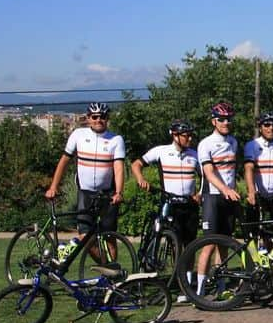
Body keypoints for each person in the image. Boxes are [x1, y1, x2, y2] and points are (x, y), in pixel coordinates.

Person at [45, 102, 126, 268]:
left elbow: (118, 167)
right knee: (84, 237)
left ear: (107, 119)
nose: (98, 120)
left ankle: (112, 276)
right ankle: (108, 269)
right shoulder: (78, 135)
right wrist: (54, 186)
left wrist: (118, 192)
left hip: (107, 193)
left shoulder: (116, 139)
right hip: (85, 193)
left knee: (110, 236)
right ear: (88, 118)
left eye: (102, 117)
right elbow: (64, 161)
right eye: (94, 117)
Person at [194, 101, 242, 298]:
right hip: (213, 196)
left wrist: (235, 191)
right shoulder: (205, 143)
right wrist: (225, 190)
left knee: (224, 244)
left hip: (229, 198)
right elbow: (209, 172)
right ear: (214, 121)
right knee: (209, 244)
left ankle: (221, 286)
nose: (226, 122)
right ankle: (199, 290)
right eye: (221, 119)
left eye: (229, 119)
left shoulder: (233, 142)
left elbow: (232, 171)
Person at [131, 118, 201, 248]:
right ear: (175, 135)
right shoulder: (160, 151)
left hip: (190, 204)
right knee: (175, 244)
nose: (190, 139)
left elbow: (205, 176)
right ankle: (177, 268)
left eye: (191, 135)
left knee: (191, 245)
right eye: (186, 135)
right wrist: (140, 178)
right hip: (170, 204)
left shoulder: (195, 155)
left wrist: (200, 194)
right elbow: (136, 164)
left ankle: (187, 269)